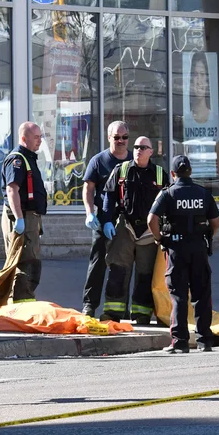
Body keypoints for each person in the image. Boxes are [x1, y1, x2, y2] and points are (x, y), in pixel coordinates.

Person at [147, 155, 219, 353]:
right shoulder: (203, 193)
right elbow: (215, 222)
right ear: (190, 172)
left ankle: (179, 342)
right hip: (198, 248)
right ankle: (205, 341)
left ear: (172, 174)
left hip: (176, 250)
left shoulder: (168, 194)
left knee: (178, 295)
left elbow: (151, 219)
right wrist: (204, 236)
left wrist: (160, 238)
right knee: (202, 294)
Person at [100, 136, 168, 324]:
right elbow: (109, 197)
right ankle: (113, 313)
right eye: (136, 146)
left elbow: (168, 204)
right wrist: (106, 221)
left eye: (143, 147)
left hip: (149, 231)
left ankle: (141, 313)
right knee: (118, 270)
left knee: (145, 274)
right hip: (125, 227)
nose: (138, 150)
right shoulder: (121, 170)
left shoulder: (160, 174)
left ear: (151, 152)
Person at [81, 120, 133, 317]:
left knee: (122, 266)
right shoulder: (99, 160)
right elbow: (88, 188)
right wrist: (89, 213)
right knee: (98, 264)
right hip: (103, 220)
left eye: (124, 137)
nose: (121, 141)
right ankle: (89, 305)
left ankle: (119, 308)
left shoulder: (133, 160)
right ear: (109, 137)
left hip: (127, 222)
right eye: (116, 137)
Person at [0, 122, 47, 303]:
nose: (40, 141)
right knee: (25, 261)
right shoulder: (17, 160)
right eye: (36, 137)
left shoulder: (28, 158)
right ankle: (21, 303)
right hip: (22, 216)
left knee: (30, 260)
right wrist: (19, 218)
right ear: (23, 138)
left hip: (29, 217)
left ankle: (23, 301)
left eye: (40, 136)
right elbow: (12, 189)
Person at [189, 52, 211, 125]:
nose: (199, 81)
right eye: (195, 75)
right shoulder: (186, 119)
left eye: (202, 74)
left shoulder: (216, 118)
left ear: (207, 81)